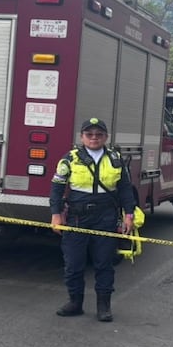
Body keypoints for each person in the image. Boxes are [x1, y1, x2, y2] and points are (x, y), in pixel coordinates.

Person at [49, 117, 135, 322]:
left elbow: (125, 189)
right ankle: (75, 303)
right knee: (73, 263)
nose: (94, 138)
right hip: (77, 217)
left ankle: (104, 306)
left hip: (105, 217)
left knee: (104, 263)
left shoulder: (115, 158)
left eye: (99, 134)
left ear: (106, 137)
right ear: (82, 137)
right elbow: (57, 188)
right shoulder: (70, 159)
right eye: (89, 134)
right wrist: (56, 214)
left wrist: (129, 214)